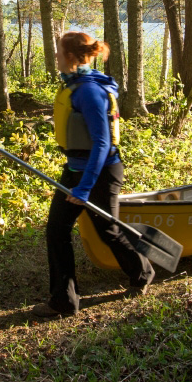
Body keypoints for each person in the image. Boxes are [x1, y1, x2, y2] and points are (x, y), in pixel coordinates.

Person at [32, 31, 154, 319]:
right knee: (56, 230)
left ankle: (142, 274)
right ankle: (64, 301)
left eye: (59, 52)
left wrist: (85, 188)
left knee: (107, 230)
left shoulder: (88, 90)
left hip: (100, 172)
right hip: (75, 169)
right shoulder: (73, 85)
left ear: (72, 56)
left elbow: (103, 142)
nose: (56, 57)